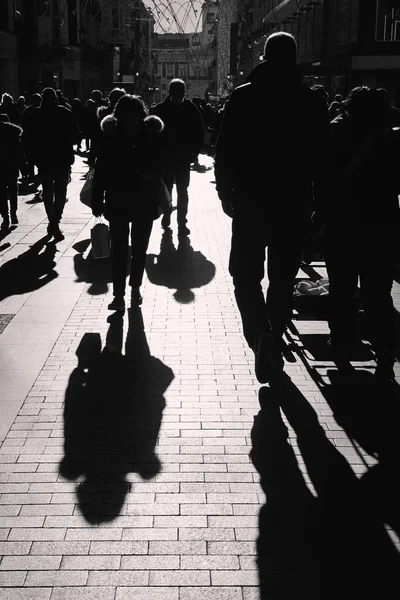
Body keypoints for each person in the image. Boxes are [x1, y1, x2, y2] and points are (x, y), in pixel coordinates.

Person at [215, 32, 330, 384]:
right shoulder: (310, 101)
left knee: (245, 275)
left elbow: (225, 148)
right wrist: (321, 205)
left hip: (251, 199)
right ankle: (274, 336)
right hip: (293, 202)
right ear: (294, 56)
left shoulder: (244, 96)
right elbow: (322, 159)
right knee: (282, 278)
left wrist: (225, 191)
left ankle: (260, 334)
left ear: (264, 56)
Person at [325, 86, 400, 380]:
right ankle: (383, 347)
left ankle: (342, 345)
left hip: (344, 221)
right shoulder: (392, 138)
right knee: (378, 291)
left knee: (342, 289)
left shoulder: (338, 133)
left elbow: (326, 176)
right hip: (381, 223)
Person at [91, 94, 165, 311]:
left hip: (139, 199)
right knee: (121, 249)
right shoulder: (112, 137)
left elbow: (161, 163)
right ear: (119, 116)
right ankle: (119, 293)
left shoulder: (149, 135)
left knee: (139, 247)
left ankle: (133, 288)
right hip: (121, 199)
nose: (130, 119)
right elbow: (101, 169)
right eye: (126, 115)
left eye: (133, 115)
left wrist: (152, 174)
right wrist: (97, 199)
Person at [26, 87, 81, 239]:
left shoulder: (35, 114)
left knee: (48, 191)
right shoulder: (65, 112)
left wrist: (32, 155)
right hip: (62, 158)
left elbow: (28, 137)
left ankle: (52, 219)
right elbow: (77, 135)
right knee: (61, 191)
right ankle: (56, 220)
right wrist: (66, 141)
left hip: (43, 159)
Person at [152, 79, 204, 236]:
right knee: (168, 189)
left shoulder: (189, 109)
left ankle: (181, 222)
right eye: (175, 93)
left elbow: (198, 133)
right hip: (167, 158)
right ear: (170, 92)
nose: (177, 96)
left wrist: (193, 153)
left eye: (179, 93)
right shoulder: (161, 109)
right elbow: (153, 134)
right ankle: (168, 214)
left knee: (182, 191)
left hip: (182, 158)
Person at [0, 114, 27, 233]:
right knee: (13, 191)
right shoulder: (14, 135)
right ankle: (13, 214)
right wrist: (24, 168)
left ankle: (5, 217)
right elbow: (20, 153)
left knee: (1, 194)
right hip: (12, 168)